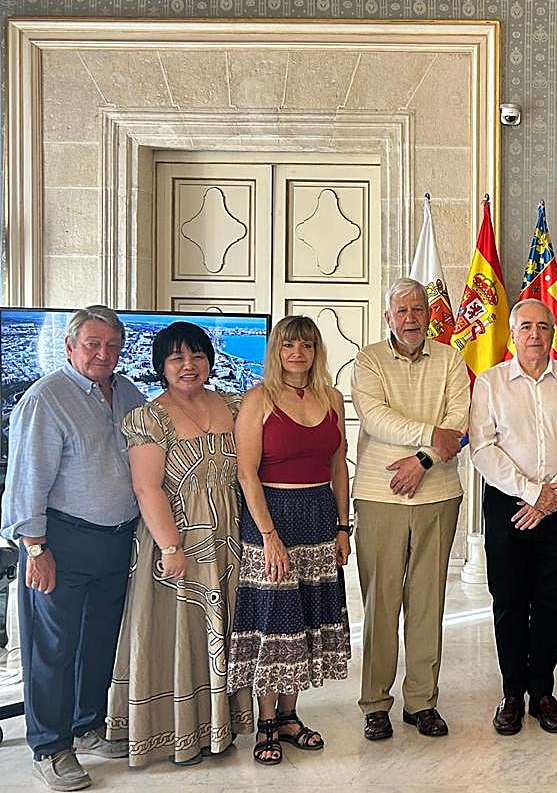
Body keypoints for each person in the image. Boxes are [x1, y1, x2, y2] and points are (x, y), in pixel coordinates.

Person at [1, 305, 145, 791]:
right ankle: (49, 746)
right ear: (69, 347)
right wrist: (34, 549)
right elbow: (25, 480)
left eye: (110, 346)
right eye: (92, 344)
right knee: (53, 649)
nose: (102, 354)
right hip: (59, 541)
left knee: (98, 642)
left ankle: (87, 727)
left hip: (114, 540)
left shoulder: (126, 392)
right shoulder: (47, 399)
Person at [107, 322, 254, 765]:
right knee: (178, 634)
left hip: (230, 540)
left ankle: (219, 726)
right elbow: (147, 488)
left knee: (224, 630)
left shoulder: (234, 403)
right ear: (161, 366)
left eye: (197, 356)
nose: (188, 366)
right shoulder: (149, 418)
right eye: (177, 358)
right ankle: (177, 732)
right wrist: (171, 547)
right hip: (177, 542)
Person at [469, 299, 557, 736]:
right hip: (508, 505)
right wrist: (530, 493)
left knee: (550, 603)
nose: (535, 335)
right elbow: (483, 447)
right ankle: (510, 693)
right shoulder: (490, 384)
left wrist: (551, 496)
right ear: (512, 334)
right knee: (508, 604)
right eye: (526, 327)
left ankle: (542, 692)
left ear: (553, 334)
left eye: (544, 327)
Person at [228, 315, 352, 765]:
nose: (296, 353)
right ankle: (265, 723)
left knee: (303, 620)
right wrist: (269, 537)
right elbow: (246, 473)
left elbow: (339, 467)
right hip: (271, 517)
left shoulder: (333, 398)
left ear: (316, 351)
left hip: (319, 516)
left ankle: (290, 716)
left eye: (305, 345)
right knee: (274, 621)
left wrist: (343, 526)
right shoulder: (258, 399)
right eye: (287, 346)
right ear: (276, 352)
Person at [351, 279, 469, 741]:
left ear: (429, 313)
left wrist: (424, 459)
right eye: (401, 311)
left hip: (439, 493)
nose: (411, 319)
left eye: (418, 310)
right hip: (381, 495)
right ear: (388, 318)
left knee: (427, 603)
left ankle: (422, 701)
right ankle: (376, 702)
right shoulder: (369, 359)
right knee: (381, 603)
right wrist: (431, 437)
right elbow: (375, 417)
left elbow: (459, 419)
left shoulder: (451, 358)